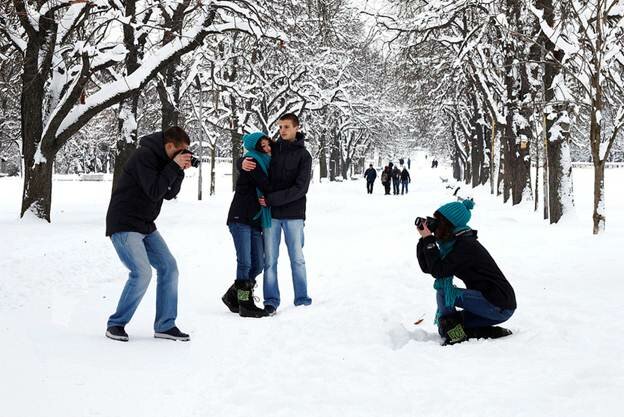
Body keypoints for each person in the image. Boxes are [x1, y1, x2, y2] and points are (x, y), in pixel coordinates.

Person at [105, 127, 192, 342]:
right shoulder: (144, 156)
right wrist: (173, 166)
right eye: (180, 151)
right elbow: (154, 190)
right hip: (124, 222)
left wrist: (179, 171)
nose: (182, 155)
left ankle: (165, 325)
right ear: (169, 145)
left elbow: (169, 193)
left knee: (169, 267)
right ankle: (116, 324)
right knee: (142, 272)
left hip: (145, 223)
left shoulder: (166, 159)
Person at [416, 200, 516, 345]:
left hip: (498, 305)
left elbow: (438, 271)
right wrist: (424, 240)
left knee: (444, 293)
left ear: (448, 223)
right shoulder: (454, 243)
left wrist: (429, 240)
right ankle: (486, 332)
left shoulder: (466, 246)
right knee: (445, 326)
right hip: (490, 304)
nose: (435, 223)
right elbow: (429, 267)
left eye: (439, 221)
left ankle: (456, 336)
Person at [241, 113, 312, 315]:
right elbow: (251, 154)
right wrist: (241, 163)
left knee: (297, 258)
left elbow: (301, 188)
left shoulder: (304, 156)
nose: (282, 130)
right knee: (270, 260)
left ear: (296, 128)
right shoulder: (274, 150)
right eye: (280, 126)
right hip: (271, 215)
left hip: (294, 215)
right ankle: (271, 301)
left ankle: (302, 299)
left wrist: (271, 199)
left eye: (287, 127)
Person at [222, 132, 273, 318]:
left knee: (258, 264)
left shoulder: (264, 161)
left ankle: (232, 294)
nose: (267, 149)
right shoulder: (251, 160)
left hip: (254, 220)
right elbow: (266, 184)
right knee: (244, 262)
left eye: (269, 145)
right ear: (255, 147)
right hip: (240, 218)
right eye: (264, 146)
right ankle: (245, 303)